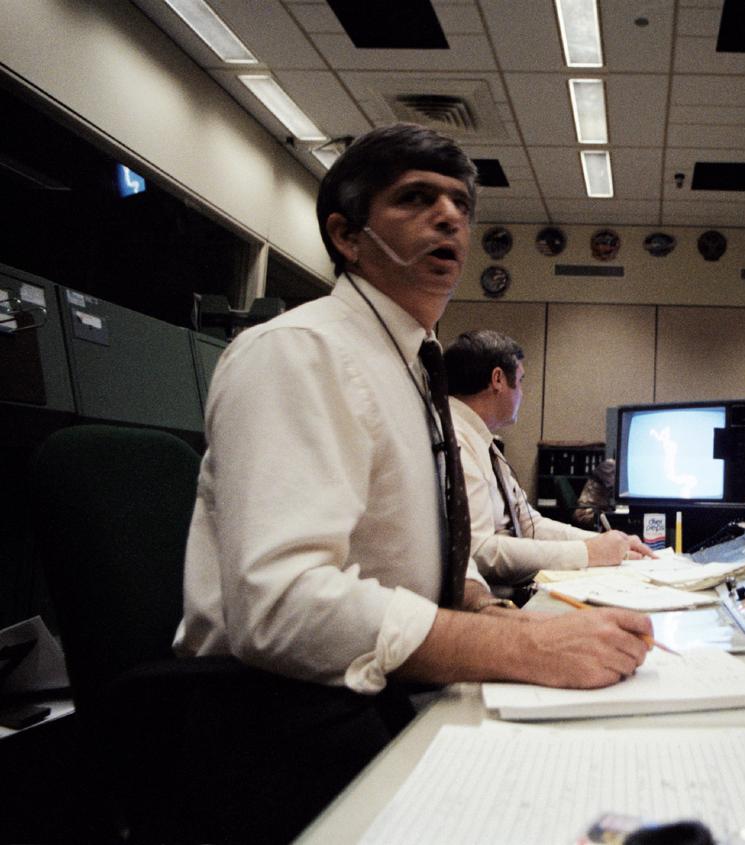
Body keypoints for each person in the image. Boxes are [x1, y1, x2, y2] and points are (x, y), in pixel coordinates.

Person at [171, 124, 652, 842]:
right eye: (415, 199)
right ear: (347, 235)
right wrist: (524, 648)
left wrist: (500, 617)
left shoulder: (409, 367)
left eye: (460, 202)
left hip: (372, 691)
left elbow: (396, 556)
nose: (450, 216)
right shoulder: (298, 354)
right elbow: (282, 604)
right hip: (286, 723)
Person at [444, 330, 654, 590]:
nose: (522, 393)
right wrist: (587, 553)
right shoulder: (456, 442)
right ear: (498, 379)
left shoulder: (483, 442)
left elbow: (529, 524)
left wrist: (608, 542)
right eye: (519, 381)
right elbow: (479, 551)